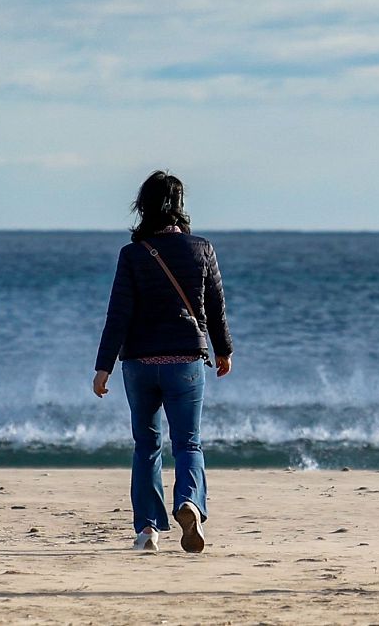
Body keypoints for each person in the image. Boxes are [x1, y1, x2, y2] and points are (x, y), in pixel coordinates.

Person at [92, 171, 234, 553]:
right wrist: (224, 350)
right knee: (188, 442)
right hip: (185, 359)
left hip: (138, 364)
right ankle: (189, 502)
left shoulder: (133, 254)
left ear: (144, 206)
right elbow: (216, 308)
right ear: (180, 206)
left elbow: (117, 314)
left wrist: (103, 366)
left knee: (146, 446)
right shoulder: (201, 248)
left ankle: (148, 530)